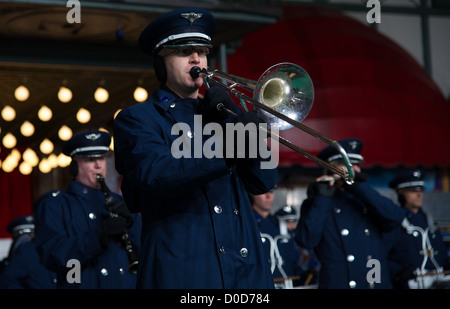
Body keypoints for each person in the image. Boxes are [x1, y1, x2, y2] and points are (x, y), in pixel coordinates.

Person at [113, 7, 278, 289]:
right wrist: (230, 147)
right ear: (160, 63)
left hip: (245, 272)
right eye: (183, 51)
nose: (196, 58)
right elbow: (157, 174)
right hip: (185, 271)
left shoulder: (220, 113)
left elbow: (264, 181)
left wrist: (234, 115)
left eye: (201, 51)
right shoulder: (137, 119)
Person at [33, 130, 142, 289]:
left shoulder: (120, 202)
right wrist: (98, 238)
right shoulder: (55, 205)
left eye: (102, 158)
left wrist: (132, 226)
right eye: (90, 159)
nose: (99, 165)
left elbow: (144, 252)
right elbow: (52, 257)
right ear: (74, 167)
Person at [295, 138, 408, 289]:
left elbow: (396, 217)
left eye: (357, 165)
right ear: (331, 168)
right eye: (349, 164)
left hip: (374, 281)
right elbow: (306, 240)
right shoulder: (318, 202)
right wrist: (322, 199)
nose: (356, 170)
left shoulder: (366, 199)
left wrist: (360, 188)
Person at [383, 169, 450, 289]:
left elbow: (442, 255)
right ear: (401, 193)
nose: (419, 194)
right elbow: (381, 257)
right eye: (413, 190)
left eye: (421, 190)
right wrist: (398, 272)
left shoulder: (430, 222)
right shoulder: (395, 222)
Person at [249, 192, 303, 288]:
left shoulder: (281, 225)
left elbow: (293, 260)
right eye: (263, 192)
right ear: (252, 194)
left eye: (271, 192)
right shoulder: (247, 224)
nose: (268, 196)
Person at [0, 215, 56, 289]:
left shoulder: (51, 247)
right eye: (21, 234)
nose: (26, 238)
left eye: (31, 234)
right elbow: (7, 281)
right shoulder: (25, 251)